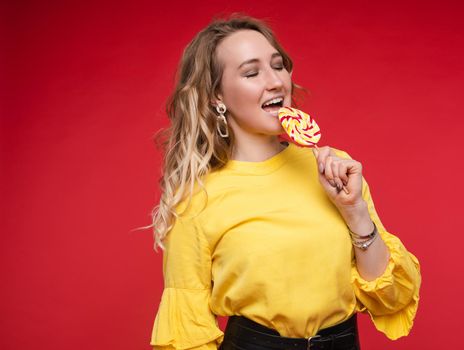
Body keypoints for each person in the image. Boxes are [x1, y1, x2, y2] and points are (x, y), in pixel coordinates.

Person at [148, 14, 421, 350]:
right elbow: (187, 330)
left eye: (278, 66)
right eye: (251, 73)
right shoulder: (198, 198)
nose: (275, 81)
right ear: (216, 96)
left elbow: (392, 300)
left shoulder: (336, 172)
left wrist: (354, 211)